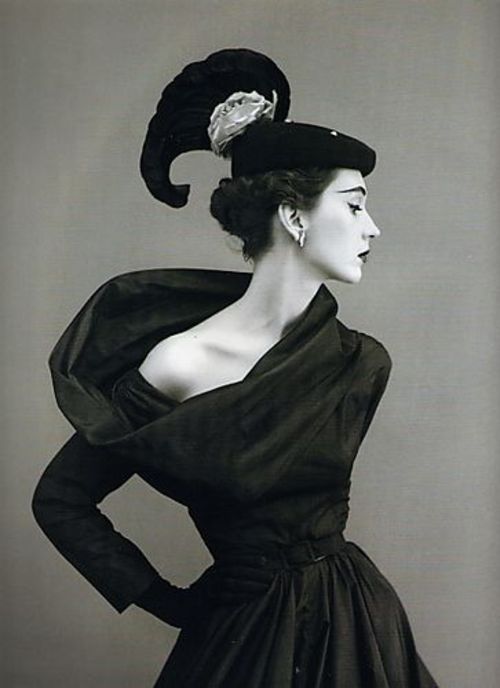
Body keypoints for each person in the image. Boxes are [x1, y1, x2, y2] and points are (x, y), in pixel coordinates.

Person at [32, 48, 440, 687]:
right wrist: (168, 601)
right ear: (294, 216)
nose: (373, 228)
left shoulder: (361, 363)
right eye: (355, 205)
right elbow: (61, 499)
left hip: (355, 623)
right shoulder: (181, 360)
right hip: (246, 632)